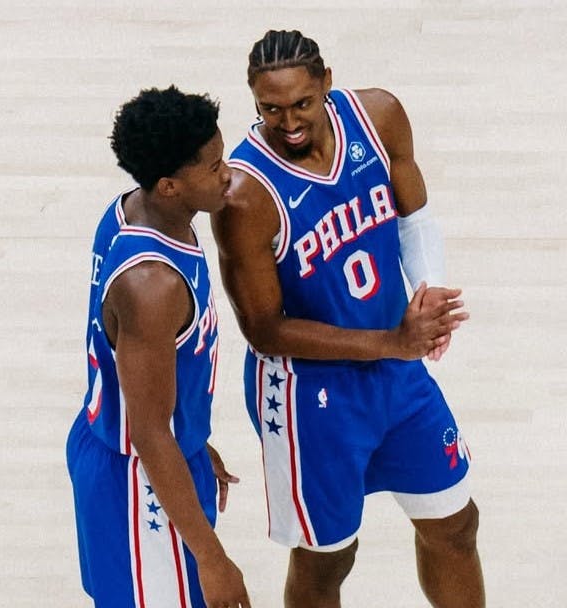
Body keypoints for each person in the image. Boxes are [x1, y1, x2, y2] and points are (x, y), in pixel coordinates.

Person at [211, 30, 485, 607]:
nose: (288, 122)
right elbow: (264, 330)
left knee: (454, 523)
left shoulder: (379, 116)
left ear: (327, 83)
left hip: (395, 364)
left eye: (302, 104)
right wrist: (393, 340)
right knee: (329, 559)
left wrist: (427, 297)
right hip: (311, 394)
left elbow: (413, 214)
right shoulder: (244, 196)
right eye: (270, 109)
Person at [67, 85, 251, 608]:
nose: (227, 175)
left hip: (131, 445)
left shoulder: (130, 209)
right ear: (170, 185)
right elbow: (148, 433)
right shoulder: (153, 285)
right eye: (213, 167)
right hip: (136, 478)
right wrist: (214, 560)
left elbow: (145, 381)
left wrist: (191, 435)